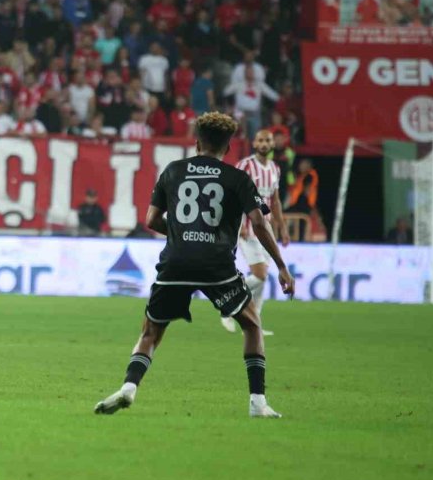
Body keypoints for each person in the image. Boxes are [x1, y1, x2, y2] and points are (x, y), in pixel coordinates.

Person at [94, 112, 294, 418]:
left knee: (150, 332)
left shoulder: (173, 171)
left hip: (176, 262)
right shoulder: (237, 177)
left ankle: (128, 388)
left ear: (197, 142)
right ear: (228, 148)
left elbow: (150, 220)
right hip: (217, 266)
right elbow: (258, 222)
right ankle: (258, 404)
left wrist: (182, 234)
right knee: (252, 325)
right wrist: (280, 265)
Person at [222, 130, 291, 336]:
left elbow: (275, 201)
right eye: (260, 140)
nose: (263, 143)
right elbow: (233, 196)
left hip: (266, 229)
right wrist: (240, 222)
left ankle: (253, 326)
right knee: (260, 275)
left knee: (262, 278)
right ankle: (227, 302)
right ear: (254, 143)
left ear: (272, 144)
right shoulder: (245, 166)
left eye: (267, 140)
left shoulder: (275, 169)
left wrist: (282, 227)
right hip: (247, 228)